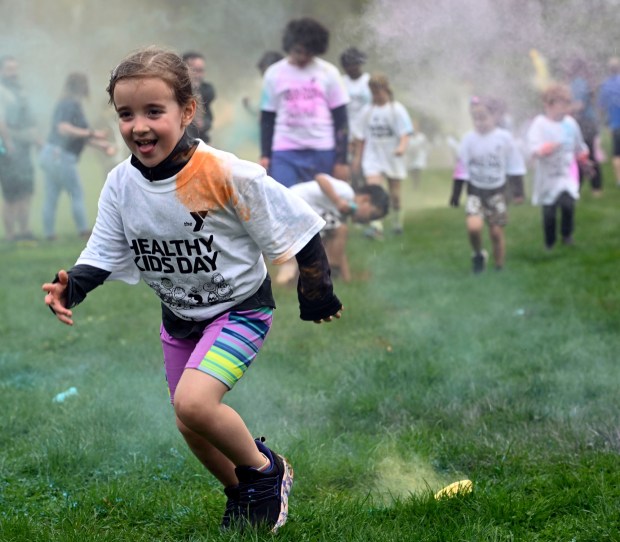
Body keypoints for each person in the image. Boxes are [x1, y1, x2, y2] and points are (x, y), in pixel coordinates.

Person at [41, 47, 343, 533]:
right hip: (179, 318)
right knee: (190, 421)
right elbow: (104, 248)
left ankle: (267, 473)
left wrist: (317, 292)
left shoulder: (223, 172)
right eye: (126, 114)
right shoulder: (121, 185)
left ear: (187, 111)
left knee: (195, 404)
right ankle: (241, 493)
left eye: (153, 112)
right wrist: (70, 287)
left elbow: (299, 225)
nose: (138, 126)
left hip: (240, 310)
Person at [260, 17, 350, 187]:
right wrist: (265, 154)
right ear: (289, 46)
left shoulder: (329, 72)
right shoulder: (273, 73)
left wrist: (342, 160)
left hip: (322, 149)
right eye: (298, 51)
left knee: (320, 207)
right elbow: (267, 118)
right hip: (285, 150)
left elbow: (342, 120)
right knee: (283, 201)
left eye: (308, 53)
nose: (303, 57)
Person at [449, 96, 526, 273]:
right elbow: (461, 169)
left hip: (498, 192)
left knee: (495, 232)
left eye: (483, 117)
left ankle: (499, 266)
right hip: (475, 191)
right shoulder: (468, 140)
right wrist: (455, 194)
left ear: (495, 116)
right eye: (475, 118)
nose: (479, 122)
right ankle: (478, 254)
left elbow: (515, 166)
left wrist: (518, 192)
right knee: (473, 227)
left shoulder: (504, 139)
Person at [40, 72, 116, 240]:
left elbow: (76, 136)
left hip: (52, 153)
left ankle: (49, 234)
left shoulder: (67, 103)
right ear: (83, 86)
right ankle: (83, 231)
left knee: (51, 195)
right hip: (61, 155)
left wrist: (100, 144)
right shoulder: (70, 104)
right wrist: (93, 133)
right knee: (76, 192)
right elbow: (63, 129)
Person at [276, 173, 389, 284]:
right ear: (365, 199)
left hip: (296, 211)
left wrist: (347, 279)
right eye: (372, 215)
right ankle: (331, 272)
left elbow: (340, 249)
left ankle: (296, 280)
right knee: (340, 230)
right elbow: (320, 178)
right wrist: (337, 201)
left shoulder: (341, 217)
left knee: (322, 241)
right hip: (294, 203)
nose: (368, 221)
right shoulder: (347, 192)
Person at [527, 83, 589, 250]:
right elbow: (533, 147)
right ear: (548, 105)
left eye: (567, 104)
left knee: (568, 204)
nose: (564, 109)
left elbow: (579, 147)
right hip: (547, 177)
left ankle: (567, 235)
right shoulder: (539, 124)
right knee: (549, 211)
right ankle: (550, 242)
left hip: (566, 174)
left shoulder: (570, 123)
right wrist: (542, 150)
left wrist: (584, 161)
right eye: (560, 105)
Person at [352, 73, 412, 237]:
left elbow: (405, 133)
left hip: (392, 156)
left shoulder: (396, 109)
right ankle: (376, 227)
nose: (376, 95)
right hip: (373, 156)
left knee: (395, 195)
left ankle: (397, 222)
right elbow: (360, 137)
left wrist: (401, 147)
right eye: (373, 92)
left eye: (378, 91)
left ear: (385, 89)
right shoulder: (368, 111)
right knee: (374, 191)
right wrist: (357, 158)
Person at [0, 55, 39, 241]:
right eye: (9, 69)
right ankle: (10, 234)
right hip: (8, 149)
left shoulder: (20, 90)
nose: (13, 73)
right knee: (11, 194)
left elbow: (29, 118)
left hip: (24, 147)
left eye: (15, 69)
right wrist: (7, 143)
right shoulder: (1, 90)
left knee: (26, 190)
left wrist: (36, 138)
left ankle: (24, 230)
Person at [566, 56, 603, 195]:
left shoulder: (578, 83)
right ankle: (592, 188)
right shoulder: (583, 82)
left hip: (585, 123)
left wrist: (565, 110)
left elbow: (580, 105)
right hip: (587, 122)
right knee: (585, 154)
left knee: (586, 155)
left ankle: (593, 188)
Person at [339, 47, 371, 190]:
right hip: (347, 131)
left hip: (366, 131)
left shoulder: (368, 82)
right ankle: (354, 191)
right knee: (351, 166)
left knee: (365, 165)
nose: (351, 68)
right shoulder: (341, 81)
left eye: (353, 64)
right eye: (347, 65)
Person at [182, 51, 216, 144]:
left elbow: (209, 117)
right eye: (194, 70)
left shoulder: (206, 90)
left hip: (200, 141)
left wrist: (203, 124)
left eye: (201, 70)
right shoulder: (175, 91)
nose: (198, 75)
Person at [598, 57, 620, 187]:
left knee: (617, 154)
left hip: (615, 125)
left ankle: (619, 180)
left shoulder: (605, 86)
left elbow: (601, 107)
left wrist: (605, 123)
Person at [406, 119, 429, 189]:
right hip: (411, 157)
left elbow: (426, 147)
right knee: (412, 171)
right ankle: (414, 184)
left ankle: (416, 185)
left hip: (419, 157)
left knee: (417, 170)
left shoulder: (422, 137)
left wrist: (427, 156)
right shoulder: (409, 137)